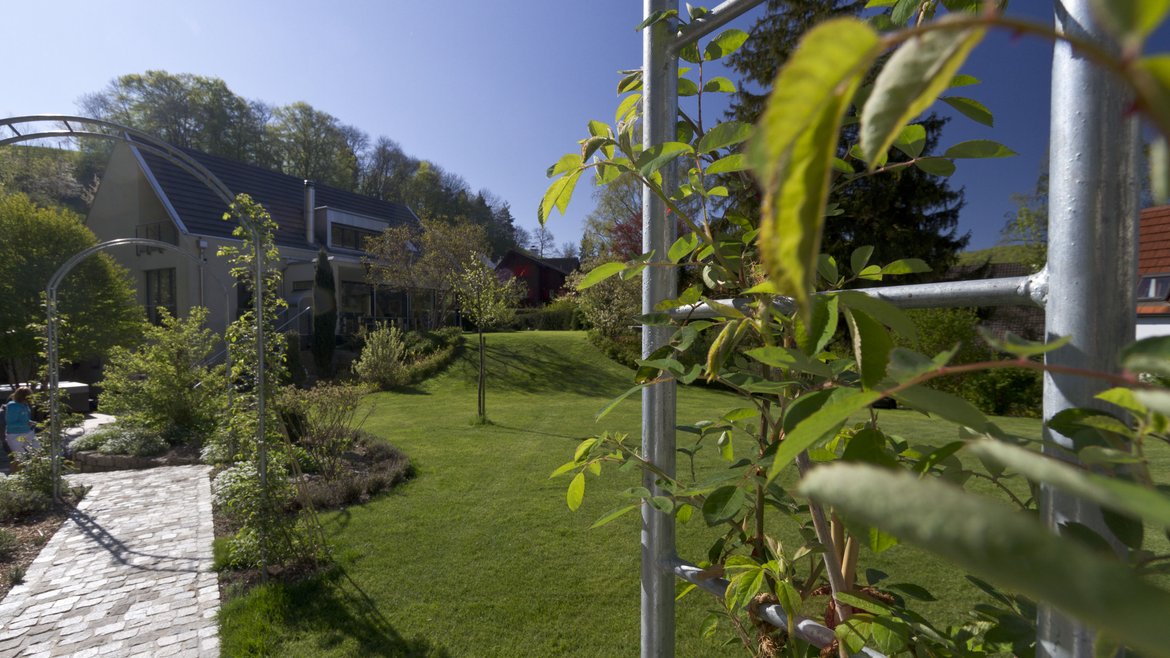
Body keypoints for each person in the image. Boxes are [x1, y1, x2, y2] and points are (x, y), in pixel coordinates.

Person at [4, 387, 41, 456]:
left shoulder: (25, 405)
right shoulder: (13, 407)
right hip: (15, 435)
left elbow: (25, 419)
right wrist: (27, 423)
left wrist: (31, 422)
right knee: (20, 458)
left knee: (37, 453)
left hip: (28, 432)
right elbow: (10, 423)